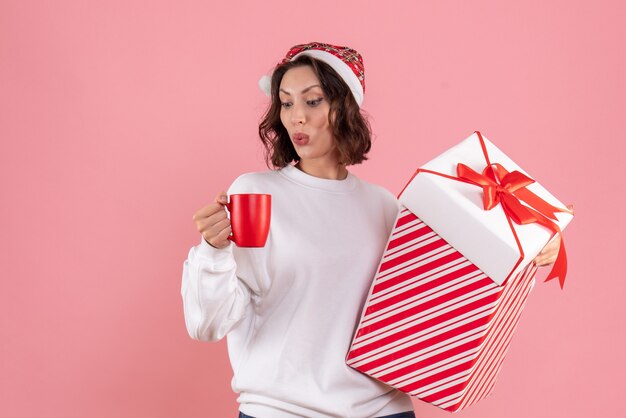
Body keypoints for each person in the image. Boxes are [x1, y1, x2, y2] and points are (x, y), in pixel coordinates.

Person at [181, 42, 562, 418]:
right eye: (286, 101)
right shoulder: (254, 194)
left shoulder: (383, 206)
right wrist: (212, 250)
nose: (296, 116)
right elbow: (208, 324)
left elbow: (445, 290)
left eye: (312, 101)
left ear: (344, 108)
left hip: (384, 409)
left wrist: (530, 252)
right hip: (282, 410)